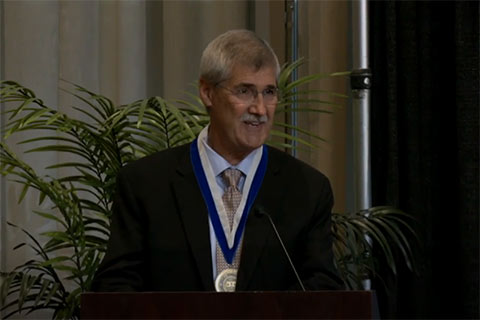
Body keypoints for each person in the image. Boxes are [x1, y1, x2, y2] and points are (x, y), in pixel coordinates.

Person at [92, 29, 343, 292]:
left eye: (269, 92)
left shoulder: (307, 189)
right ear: (207, 93)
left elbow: (322, 290)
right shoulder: (146, 184)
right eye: (245, 91)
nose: (260, 109)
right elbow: (115, 288)